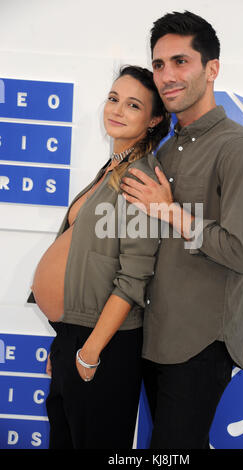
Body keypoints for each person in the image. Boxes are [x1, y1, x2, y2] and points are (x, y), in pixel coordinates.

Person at [121, 11, 243, 449]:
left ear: (212, 69)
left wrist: (170, 211)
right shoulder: (166, 147)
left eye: (180, 62)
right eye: (159, 64)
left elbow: (241, 252)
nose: (166, 75)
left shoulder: (239, 148)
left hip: (200, 343)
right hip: (152, 336)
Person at [27, 65, 170, 449]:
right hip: (75, 336)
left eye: (133, 104)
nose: (117, 109)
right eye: (113, 98)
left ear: (154, 119)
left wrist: (89, 352)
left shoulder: (142, 179)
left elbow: (134, 278)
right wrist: (66, 341)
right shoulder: (111, 169)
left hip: (103, 344)